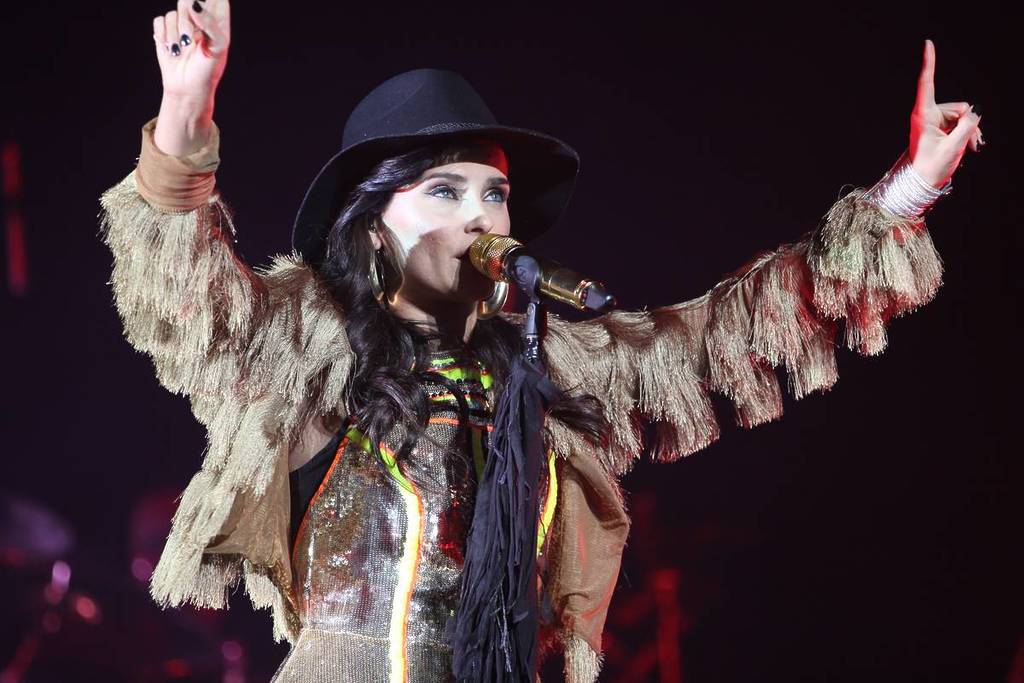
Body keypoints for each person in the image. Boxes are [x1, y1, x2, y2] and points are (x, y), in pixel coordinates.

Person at [96, 1, 983, 681]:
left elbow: (726, 338)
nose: (481, 215)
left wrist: (903, 195)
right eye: (445, 191)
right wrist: (186, 108)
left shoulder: (550, 362)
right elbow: (187, 292)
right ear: (374, 225)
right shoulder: (304, 340)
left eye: (495, 193)